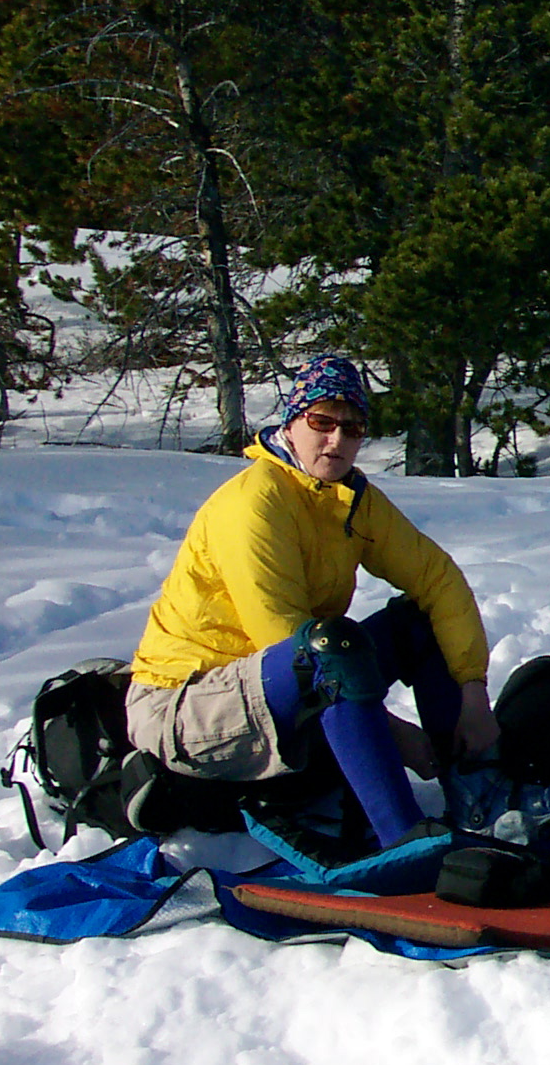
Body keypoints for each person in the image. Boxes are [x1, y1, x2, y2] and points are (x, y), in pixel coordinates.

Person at [125, 354, 498, 848]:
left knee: (416, 620)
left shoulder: (349, 500)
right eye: (321, 422)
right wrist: (394, 734)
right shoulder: (255, 501)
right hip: (188, 707)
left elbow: (439, 579)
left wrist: (473, 692)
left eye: (353, 427)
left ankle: (476, 797)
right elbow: (286, 639)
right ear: (292, 422)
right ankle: (405, 841)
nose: (337, 439)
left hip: (277, 691)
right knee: (330, 646)